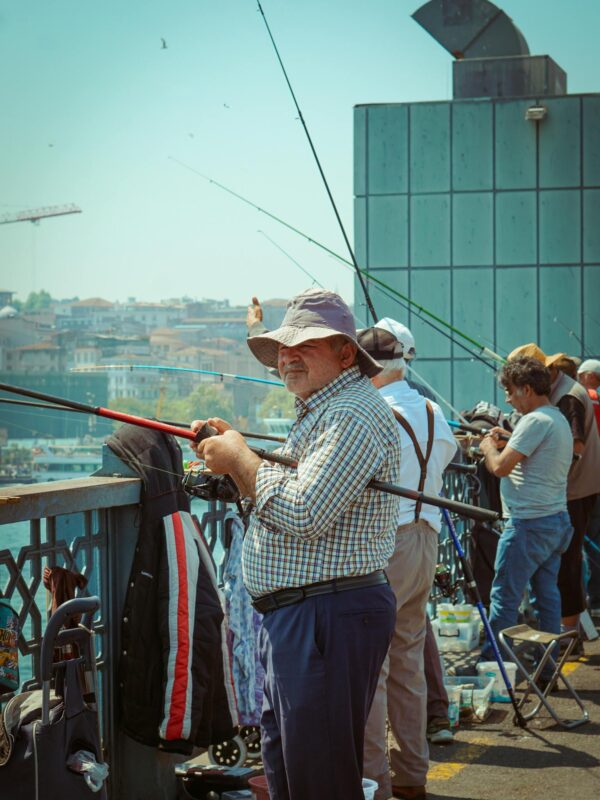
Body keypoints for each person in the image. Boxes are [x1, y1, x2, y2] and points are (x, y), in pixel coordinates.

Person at [193, 288, 403, 800]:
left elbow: (303, 511)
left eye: (303, 346)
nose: (286, 356)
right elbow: (283, 499)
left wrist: (241, 457)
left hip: (325, 615)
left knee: (321, 779)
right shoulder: (321, 410)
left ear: (346, 353)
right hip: (300, 617)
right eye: (282, 347)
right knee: (290, 771)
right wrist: (238, 459)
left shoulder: (351, 412)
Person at [358, 318, 457, 800]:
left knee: (371, 668)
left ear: (368, 366)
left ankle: (373, 781)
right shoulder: (435, 412)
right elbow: (450, 452)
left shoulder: (371, 412)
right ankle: (412, 775)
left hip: (386, 541)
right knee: (409, 662)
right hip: (426, 538)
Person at [478, 356, 574, 686]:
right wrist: (509, 437)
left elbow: (501, 467)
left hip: (528, 525)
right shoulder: (556, 418)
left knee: (504, 597)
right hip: (556, 521)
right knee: (546, 597)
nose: (507, 398)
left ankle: (494, 670)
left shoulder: (534, 422)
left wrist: (489, 446)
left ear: (526, 389)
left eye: (509, 391)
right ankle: (548, 672)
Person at [508, 344, 600, 645]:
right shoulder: (563, 393)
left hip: (571, 493)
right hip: (570, 493)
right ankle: (562, 638)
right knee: (557, 571)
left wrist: (549, 473)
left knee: (567, 566)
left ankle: (566, 638)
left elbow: (575, 446)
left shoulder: (568, 397)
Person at [577, 358, 600, 614]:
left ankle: (583, 603)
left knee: (578, 544)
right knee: (595, 538)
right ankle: (597, 600)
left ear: (589, 376)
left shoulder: (587, 396)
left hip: (585, 481)